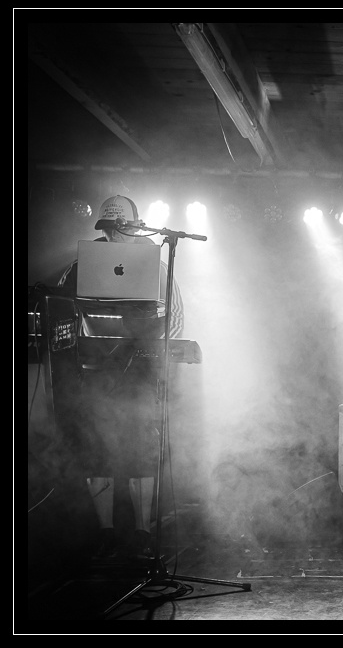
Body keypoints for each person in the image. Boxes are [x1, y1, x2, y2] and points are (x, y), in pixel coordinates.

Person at [57, 195, 184, 561]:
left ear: (137, 226)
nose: (114, 235)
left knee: (141, 449)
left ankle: (142, 533)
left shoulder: (158, 266)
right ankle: (107, 534)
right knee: (96, 450)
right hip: (95, 373)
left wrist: (152, 354)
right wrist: (75, 351)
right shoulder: (79, 265)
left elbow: (175, 316)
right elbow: (60, 312)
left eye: (121, 228)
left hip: (140, 374)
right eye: (108, 229)